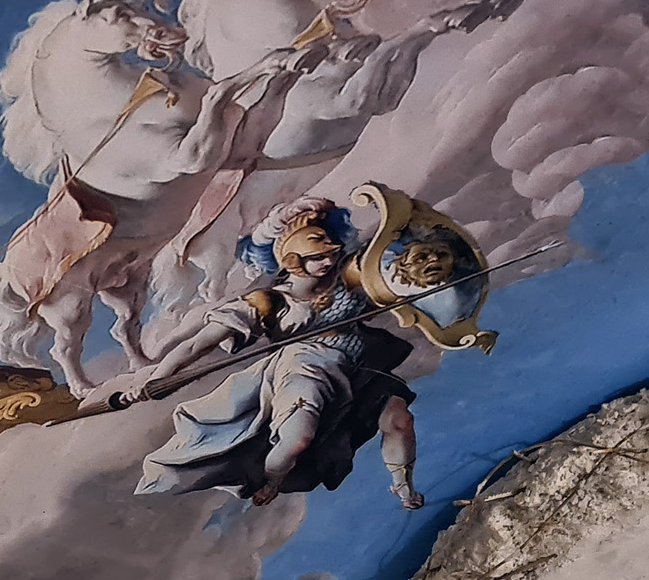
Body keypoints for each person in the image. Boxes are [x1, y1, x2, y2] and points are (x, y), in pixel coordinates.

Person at [121, 197, 424, 510]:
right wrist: (157, 379)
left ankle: (403, 488)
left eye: (331, 253)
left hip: (358, 367)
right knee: (296, 440)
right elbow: (196, 344)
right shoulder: (269, 302)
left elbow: (395, 269)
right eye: (317, 257)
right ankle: (272, 481)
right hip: (305, 371)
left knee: (399, 420)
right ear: (293, 260)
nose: (328, 262)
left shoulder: (348, 277)